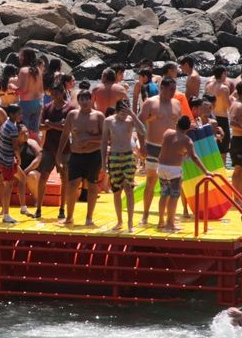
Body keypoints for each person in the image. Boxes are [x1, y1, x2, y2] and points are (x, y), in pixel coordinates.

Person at [138, 77, 183, 224]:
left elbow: (180, 127)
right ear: (162, 87)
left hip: (171, 149)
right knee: (151, 181)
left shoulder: (177, 103)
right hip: (153, 146)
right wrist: (141, 144)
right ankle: (145, 214)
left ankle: (166, 216)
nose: (173, 92)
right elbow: (139, 122)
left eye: (174, 89)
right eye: (170, 89)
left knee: (171, 183)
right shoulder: (151, 102)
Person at [58, 89, 105, 226]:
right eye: (82, 99)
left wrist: (89, 140)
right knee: (72, 184)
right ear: (78, 101)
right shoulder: (72, 115)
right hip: (76, 155)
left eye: (87, 99)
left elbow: (105, 138)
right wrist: (59, 154)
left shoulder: (98, 116)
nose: (84, 102)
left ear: (92, 100)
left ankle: (89, 217)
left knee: (92, 185)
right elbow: (65, 135)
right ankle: (69, 216)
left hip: (93, 155)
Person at [155, 116, 210, 232]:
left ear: (177, 124)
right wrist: (206, 171)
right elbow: (194, 157)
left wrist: (181, 152)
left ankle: (161, 221)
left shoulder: (167, 133)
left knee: (164, 194)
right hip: (174, 170)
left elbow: (168, 146)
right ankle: (170, 224)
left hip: (161, 167)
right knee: (174, 197)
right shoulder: (187, 140)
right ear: (188, 128)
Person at [35, 83, 74, 220]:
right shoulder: (46, 107)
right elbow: (40, 127)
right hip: (48, 147)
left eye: (57, 93)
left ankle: (62, 208)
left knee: (65, 178)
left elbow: (67, 128)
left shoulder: (70, 108)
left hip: (64, 148)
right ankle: (38, 208)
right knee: (43, 177)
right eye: (53, 93)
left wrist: (50, 124)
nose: (54, 96)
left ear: (63, 93)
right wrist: (57, 125)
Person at [102, 101, 138, 231]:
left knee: (129, 189)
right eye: (122, 112)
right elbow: (104, 142)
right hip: (114, 156)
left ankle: (130, 222)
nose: (124, 115)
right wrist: (103, 162)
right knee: (116, 191)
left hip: (128, 156)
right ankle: (119, 221)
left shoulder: (130, 120)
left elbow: (143, 131)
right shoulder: (108, 121)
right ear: (116, 111)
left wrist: (133, 114)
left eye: (126, 112)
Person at [0, 103, 28, 225]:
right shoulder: (13, 128)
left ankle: (23, 207)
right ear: (12, 114)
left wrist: (3, 151)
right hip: (8, 161)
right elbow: (15, 147)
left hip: (3, 159)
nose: (21, 116)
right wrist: (18, 158)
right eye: (19, 114)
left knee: (23, 178)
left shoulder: (5, 124)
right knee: (8, 187)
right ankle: (6, 215)